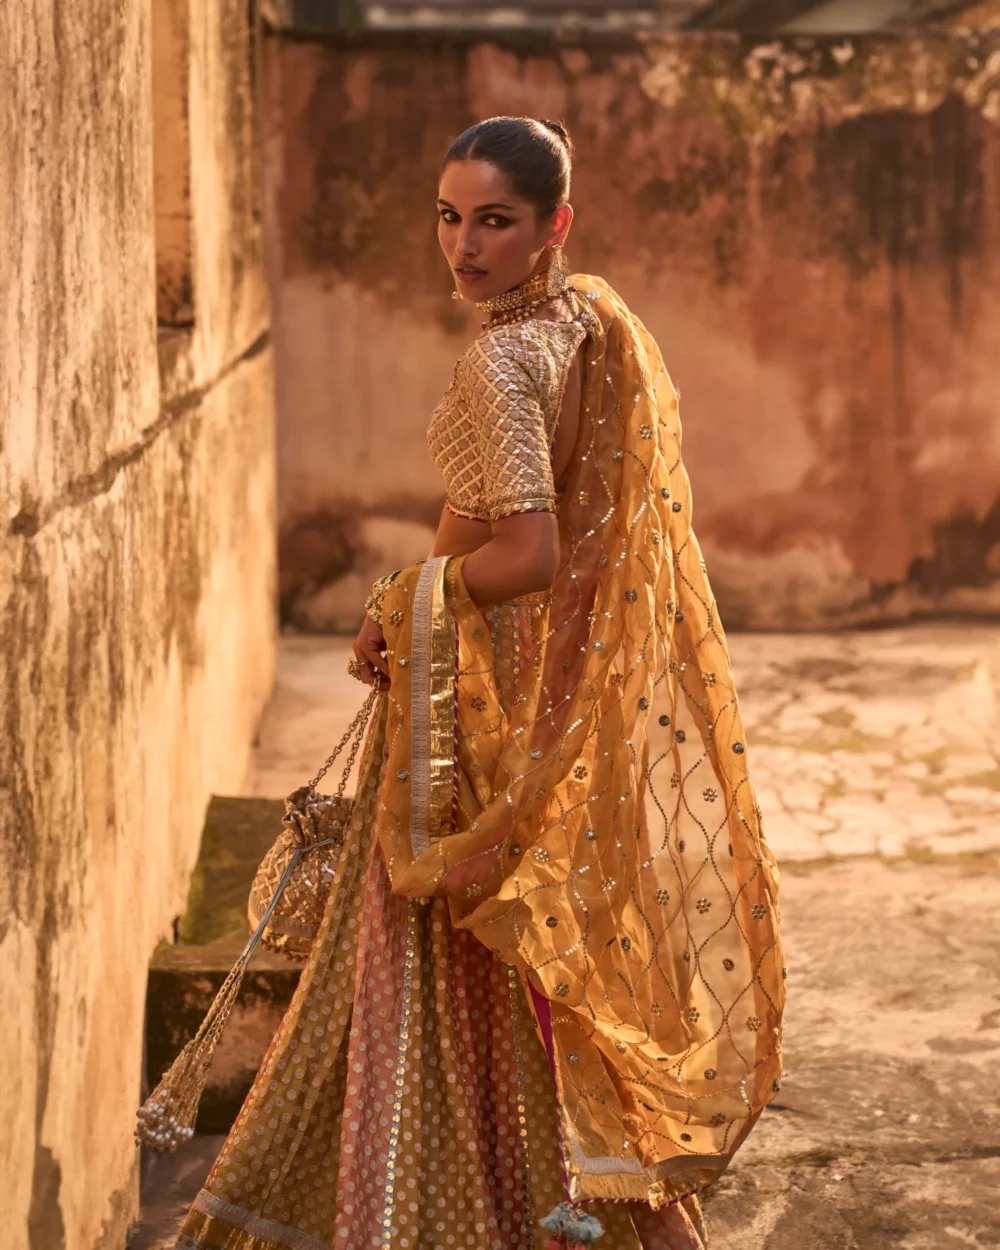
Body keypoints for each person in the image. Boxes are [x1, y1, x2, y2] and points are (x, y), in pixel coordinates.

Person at [176, 116, 786, 1250]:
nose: (464, 246)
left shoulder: (506, 358)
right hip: (545, 689)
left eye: (494, 221)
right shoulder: (589, 318)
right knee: (545, 986)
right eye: (449, 218)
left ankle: (432, 1206)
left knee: (456, 974)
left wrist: (394, 598)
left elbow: (525, 554)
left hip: (482, 704)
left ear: (555, 224)